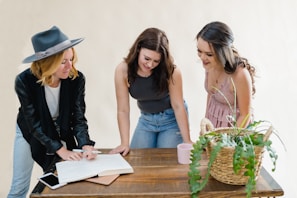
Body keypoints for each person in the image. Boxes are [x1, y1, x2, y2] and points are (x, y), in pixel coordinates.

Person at [8, 26, 97, 198]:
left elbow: (78, 117)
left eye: (72, 59)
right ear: (48, 63)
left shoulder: (76, 79)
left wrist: (85, 144)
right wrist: (60, 150)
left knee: (64, 180)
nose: (70, 66)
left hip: (60, 126)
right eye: (63, 62)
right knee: (19, 186)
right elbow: (34, 124)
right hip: (30, 129)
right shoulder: (24, 81)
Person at [110, 27, 192, 156]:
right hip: (146, 120)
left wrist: (187, 141)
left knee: (165, 161)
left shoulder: (172, 71)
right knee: (136, 160)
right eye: (146, 58)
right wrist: (124, 143)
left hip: (171, 119)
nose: (150, 65)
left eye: (156, 61)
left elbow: (178, 106)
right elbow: (123, 110)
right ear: (138, 50)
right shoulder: (122, 70)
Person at [196, 21, 256, 128]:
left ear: (222, 52)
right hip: (214, 125)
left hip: (236, 129)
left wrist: (229, 140)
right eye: (199, 51)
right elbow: (211, 95)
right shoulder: (210, 65)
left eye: (209, 54)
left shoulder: (240, 75)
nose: (202, 58)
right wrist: (206, 125)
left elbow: (245, 115)